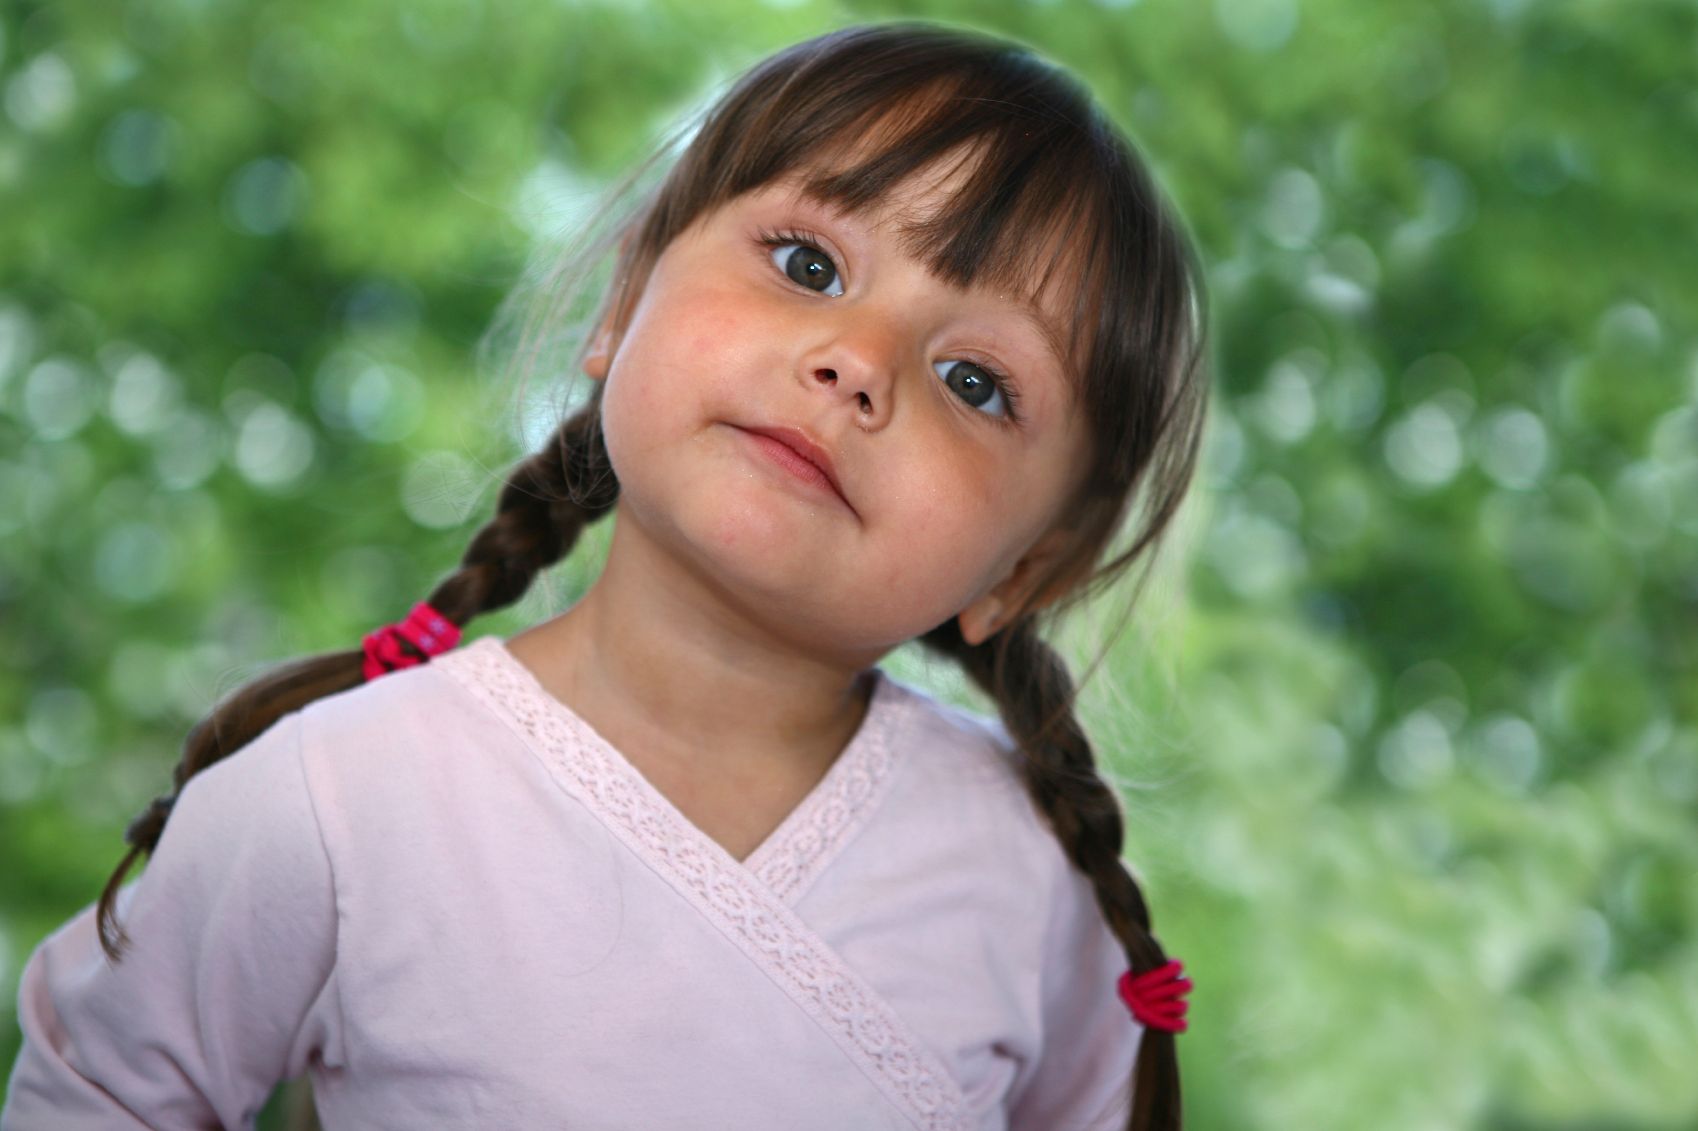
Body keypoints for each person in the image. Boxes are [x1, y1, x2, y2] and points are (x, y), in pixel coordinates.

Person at [1, 19, 1209, 1131]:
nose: (856, 361)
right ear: (624, 301)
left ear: (1031, 566)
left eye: (977, 383)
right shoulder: (335, 793)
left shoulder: (1034, 883)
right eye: (807, 263)